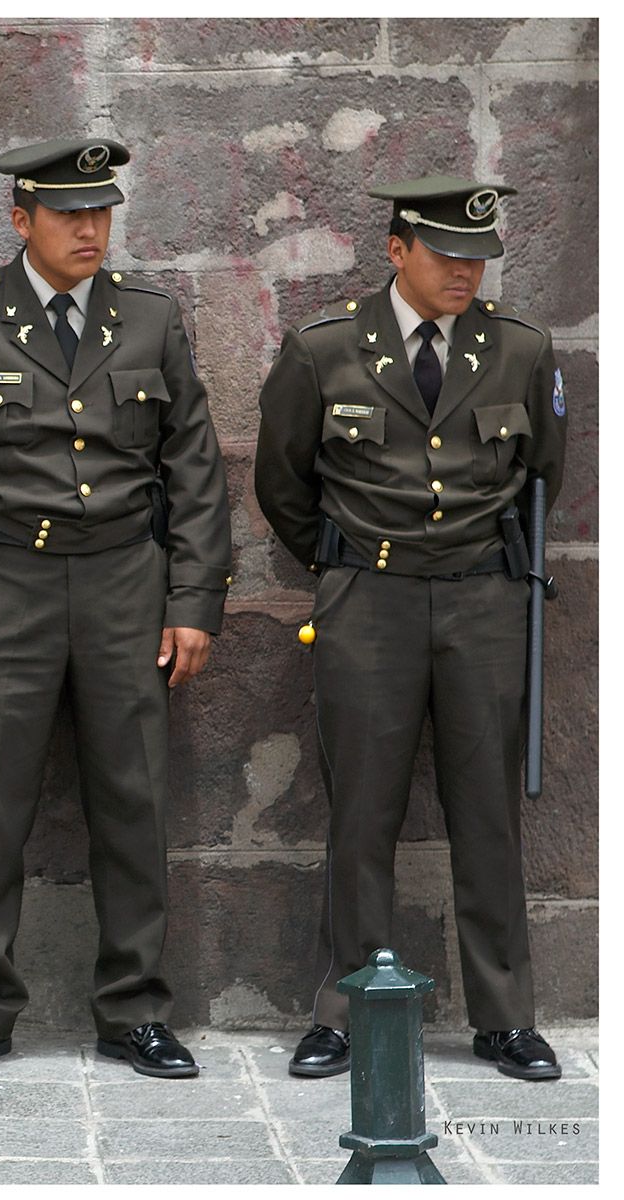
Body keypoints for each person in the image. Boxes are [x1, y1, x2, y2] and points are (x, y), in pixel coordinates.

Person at [0, 138, 231, 1078]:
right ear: (22, 222)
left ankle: (135, 1008)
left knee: (133, 797)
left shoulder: (147, 318)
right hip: (9, 586)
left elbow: (194, 467)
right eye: (70, 216)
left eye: (101, 213)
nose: (90, 230)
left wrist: (192, 600)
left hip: (123, 587)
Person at [255, 176, 567, 1082]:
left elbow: (544, 467)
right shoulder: (325, 349)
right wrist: (345, 565)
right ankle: (347, 1011)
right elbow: (283, 482)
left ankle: (505, 1015)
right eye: (447, 257)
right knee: (361, 811)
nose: (465, 273)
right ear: (398, 252)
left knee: (487, 812)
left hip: (483, 601)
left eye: (478, 260)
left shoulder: (519, 349)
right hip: (370, 601)